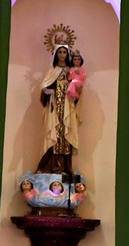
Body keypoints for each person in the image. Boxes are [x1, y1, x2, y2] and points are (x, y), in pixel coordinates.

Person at [37, 44, 80, 174]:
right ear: (56, 54)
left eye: (64, 52)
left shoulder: (70, 70)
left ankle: (65, 168)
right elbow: (44, 88)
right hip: (55, 108)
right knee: (54, 134)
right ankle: (51, 167)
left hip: (67, 107)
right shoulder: (52, 70)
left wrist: (75, 89)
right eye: (60, 52)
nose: (62, 55)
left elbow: (77, 90)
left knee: (66, 134)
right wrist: (47, 91)